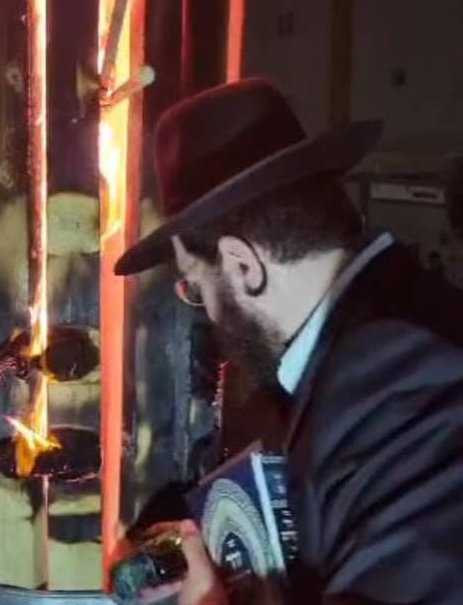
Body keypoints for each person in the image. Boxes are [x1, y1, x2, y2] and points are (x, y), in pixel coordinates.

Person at [115, 79, 463, 604]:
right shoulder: (381, 336)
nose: (206, 311)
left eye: (196, 286)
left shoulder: (398, 381)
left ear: (243, 266)